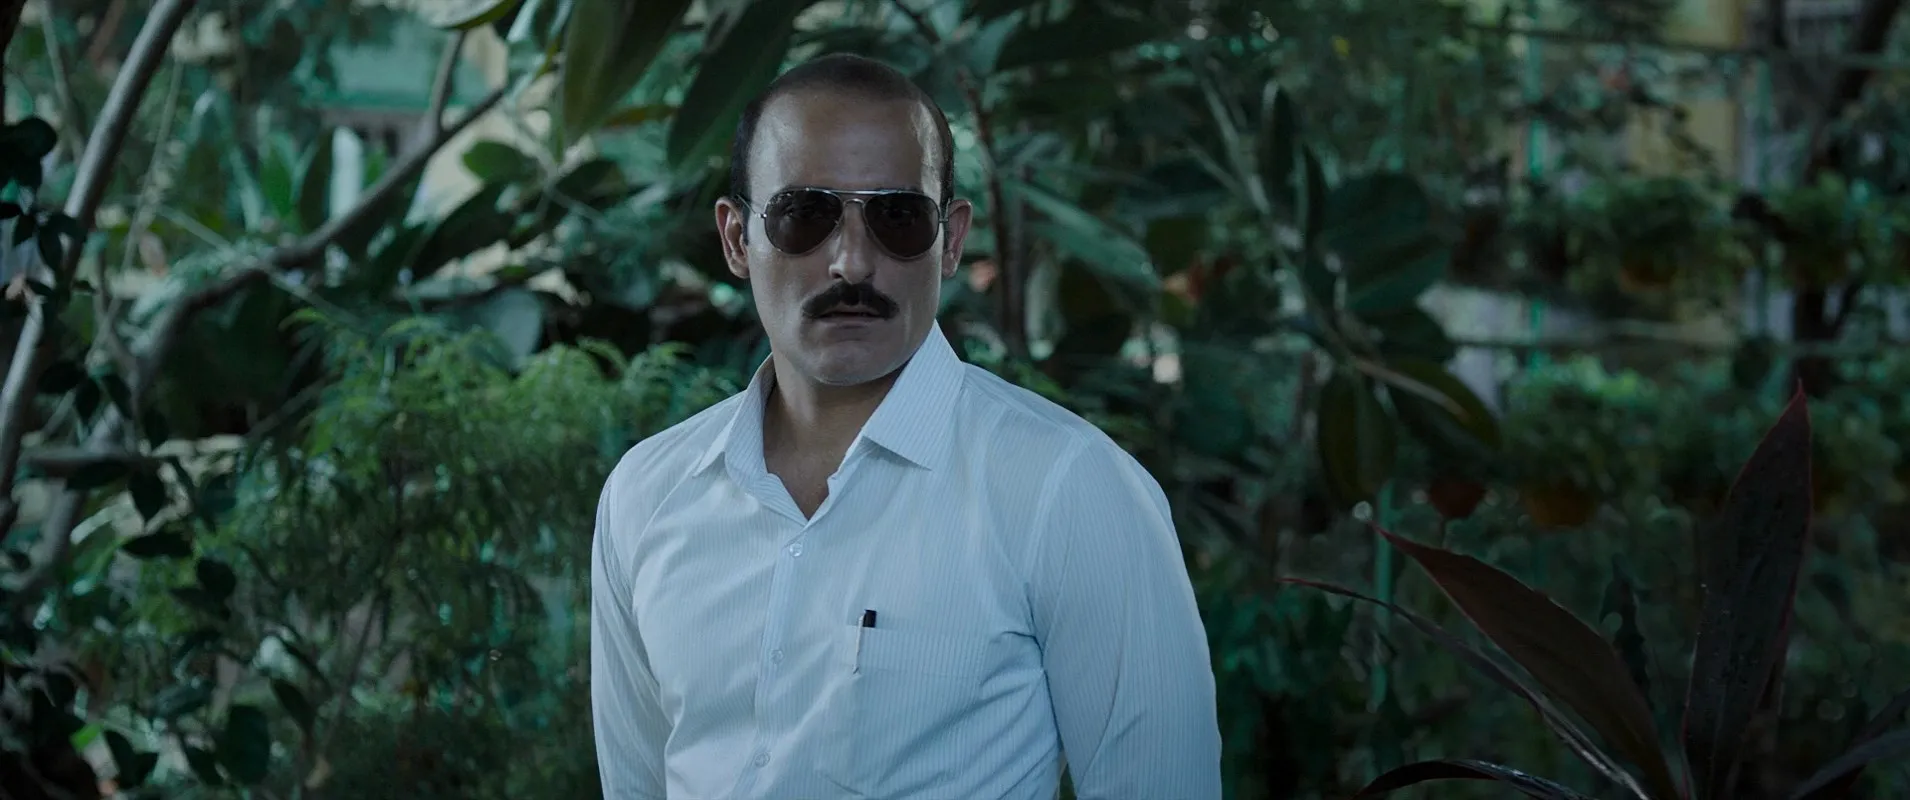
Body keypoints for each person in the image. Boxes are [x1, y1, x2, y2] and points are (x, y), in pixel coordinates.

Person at [589, 53, 1221, 800]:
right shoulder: (647, 496)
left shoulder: (1068, 489)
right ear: (735, 239)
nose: (852, 263)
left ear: (950, 241)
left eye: (898, 217)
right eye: (804, 215)